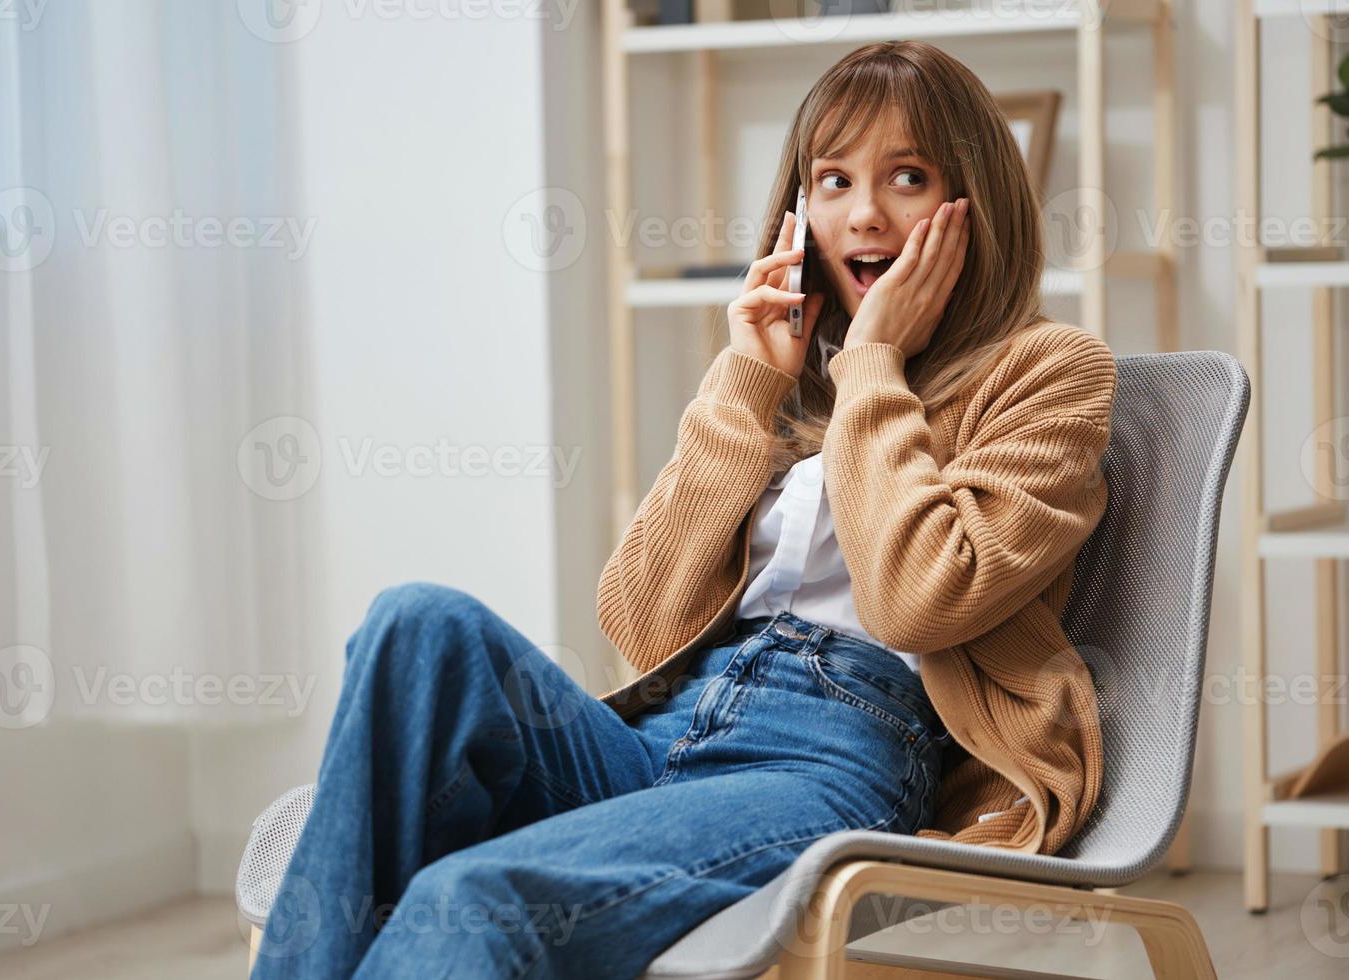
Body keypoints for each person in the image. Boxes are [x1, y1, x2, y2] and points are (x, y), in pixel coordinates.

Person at [250, 39, 1116, 980]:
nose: (864, 212)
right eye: (832, 180)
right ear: (799, 210)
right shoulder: (785, 380)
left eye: (907, 177)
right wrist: (746, 383)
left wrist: (874, 363)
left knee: (468, 895)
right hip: (668, 729)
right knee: (414, 623)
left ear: (972, 203)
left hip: (832, 757)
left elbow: (920, 601)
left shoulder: (1050, 373)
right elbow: (642, 617)